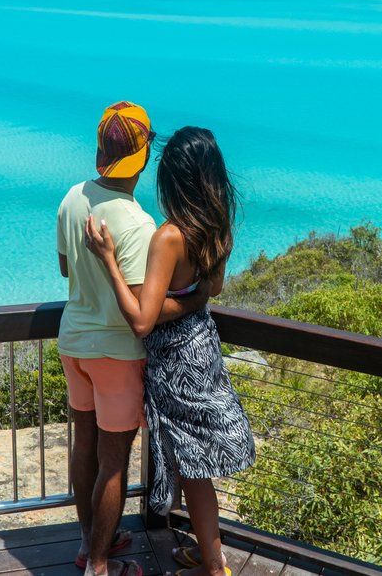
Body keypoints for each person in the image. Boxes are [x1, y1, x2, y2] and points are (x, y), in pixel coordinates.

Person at [84, 126, 255, 576]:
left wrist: (109, 262)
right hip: (203, 345)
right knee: (195, 462)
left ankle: (215, 567)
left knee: (193, 467)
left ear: (173, 178)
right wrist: (188, 299)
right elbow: (212, 288)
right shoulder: (219, 227)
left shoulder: (169, 237)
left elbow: (141, 320)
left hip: (174, 362)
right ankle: (207, 550)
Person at [57, 103, 209, 576]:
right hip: (116, 352)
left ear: (102, 151)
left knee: (84, 447)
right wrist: (198, 298)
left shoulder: (72, 198)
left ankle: (90, 544)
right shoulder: (139, 225)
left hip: (73, 341)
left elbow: (66, 269)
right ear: (142, 158)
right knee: (114, 461)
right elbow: (148, 309)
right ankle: (99, 566)